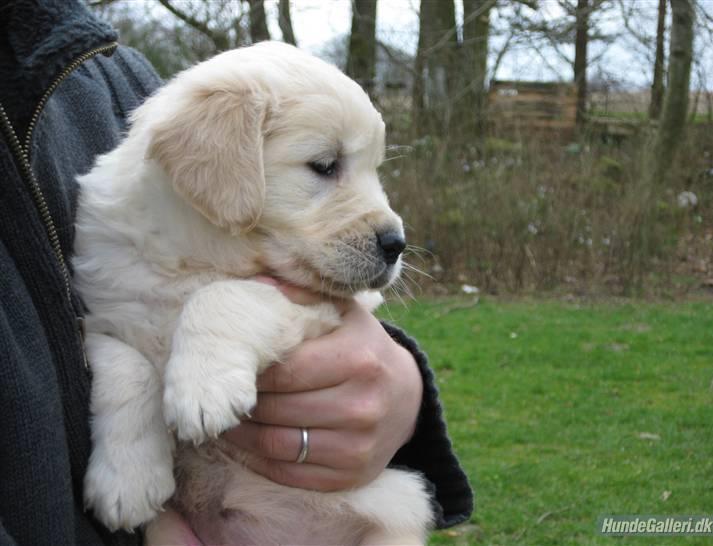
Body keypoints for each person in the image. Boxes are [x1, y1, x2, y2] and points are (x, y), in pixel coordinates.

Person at [0, 0, 472, 544]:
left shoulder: (98, 71)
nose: (390, 226)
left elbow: (339, 335)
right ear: (219, 160)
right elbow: (101, 334)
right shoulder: (128, 212)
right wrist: (128, 413)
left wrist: (403, 392)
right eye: (324, 166)